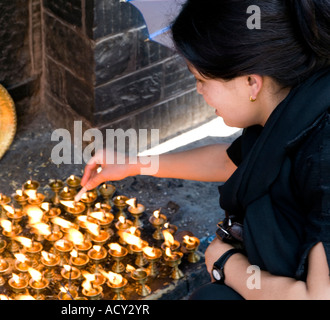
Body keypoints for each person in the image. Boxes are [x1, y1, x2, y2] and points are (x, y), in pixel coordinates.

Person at [78, 0, 330, 299]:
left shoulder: (322, 155)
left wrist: (226, 264)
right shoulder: (290, 108)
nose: (198, 90)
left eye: (201, 80)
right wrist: (133, 164)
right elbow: (235, 164)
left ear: (251, 82)